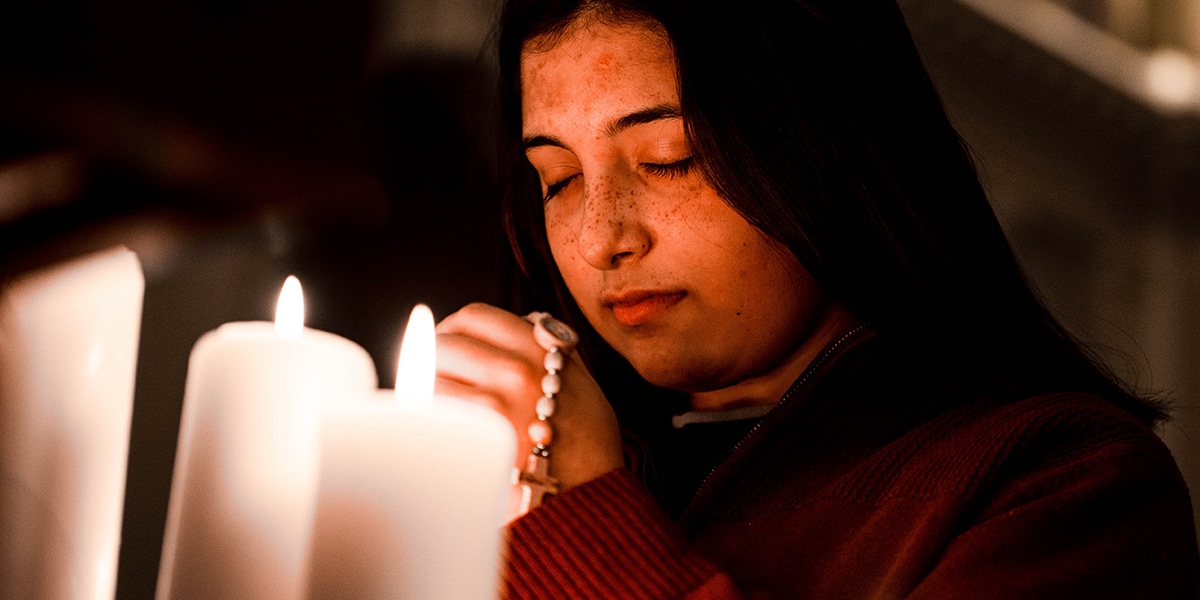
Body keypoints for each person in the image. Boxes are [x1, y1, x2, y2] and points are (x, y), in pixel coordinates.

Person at [434, 0, 1200, 597]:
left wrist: (585, 521)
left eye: (670, 159)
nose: (602, 238)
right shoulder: (505, 471)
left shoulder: (1058, 481)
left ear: (821, 150)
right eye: (558, 179)